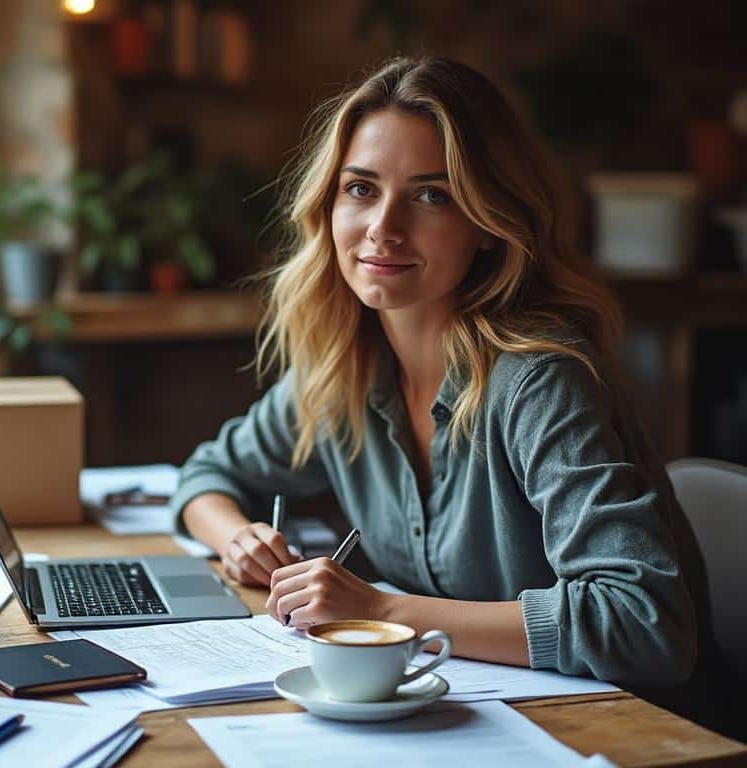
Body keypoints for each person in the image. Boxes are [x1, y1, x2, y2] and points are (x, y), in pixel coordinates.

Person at [171, 56, 702, 686]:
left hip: (625, 731)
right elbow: (206, 476)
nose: (383, 229)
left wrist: (380, 611)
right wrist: (238, 538)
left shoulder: (538, 382)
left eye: (431, 195)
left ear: (488, 223)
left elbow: (643, 623)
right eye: (361, 189)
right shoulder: (345, 368)